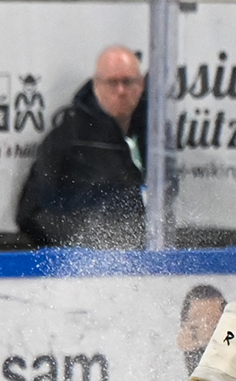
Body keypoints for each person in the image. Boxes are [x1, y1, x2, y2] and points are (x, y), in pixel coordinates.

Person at [16, 45, 149, 249]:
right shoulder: (69, 139)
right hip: (89, 265)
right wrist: (84, 248)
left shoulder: (154, 135)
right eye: (112, 82)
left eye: (128, 81)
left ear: (140, 84)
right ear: (96, 85)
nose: (121, 91)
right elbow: (32, 212)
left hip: (147, 259)